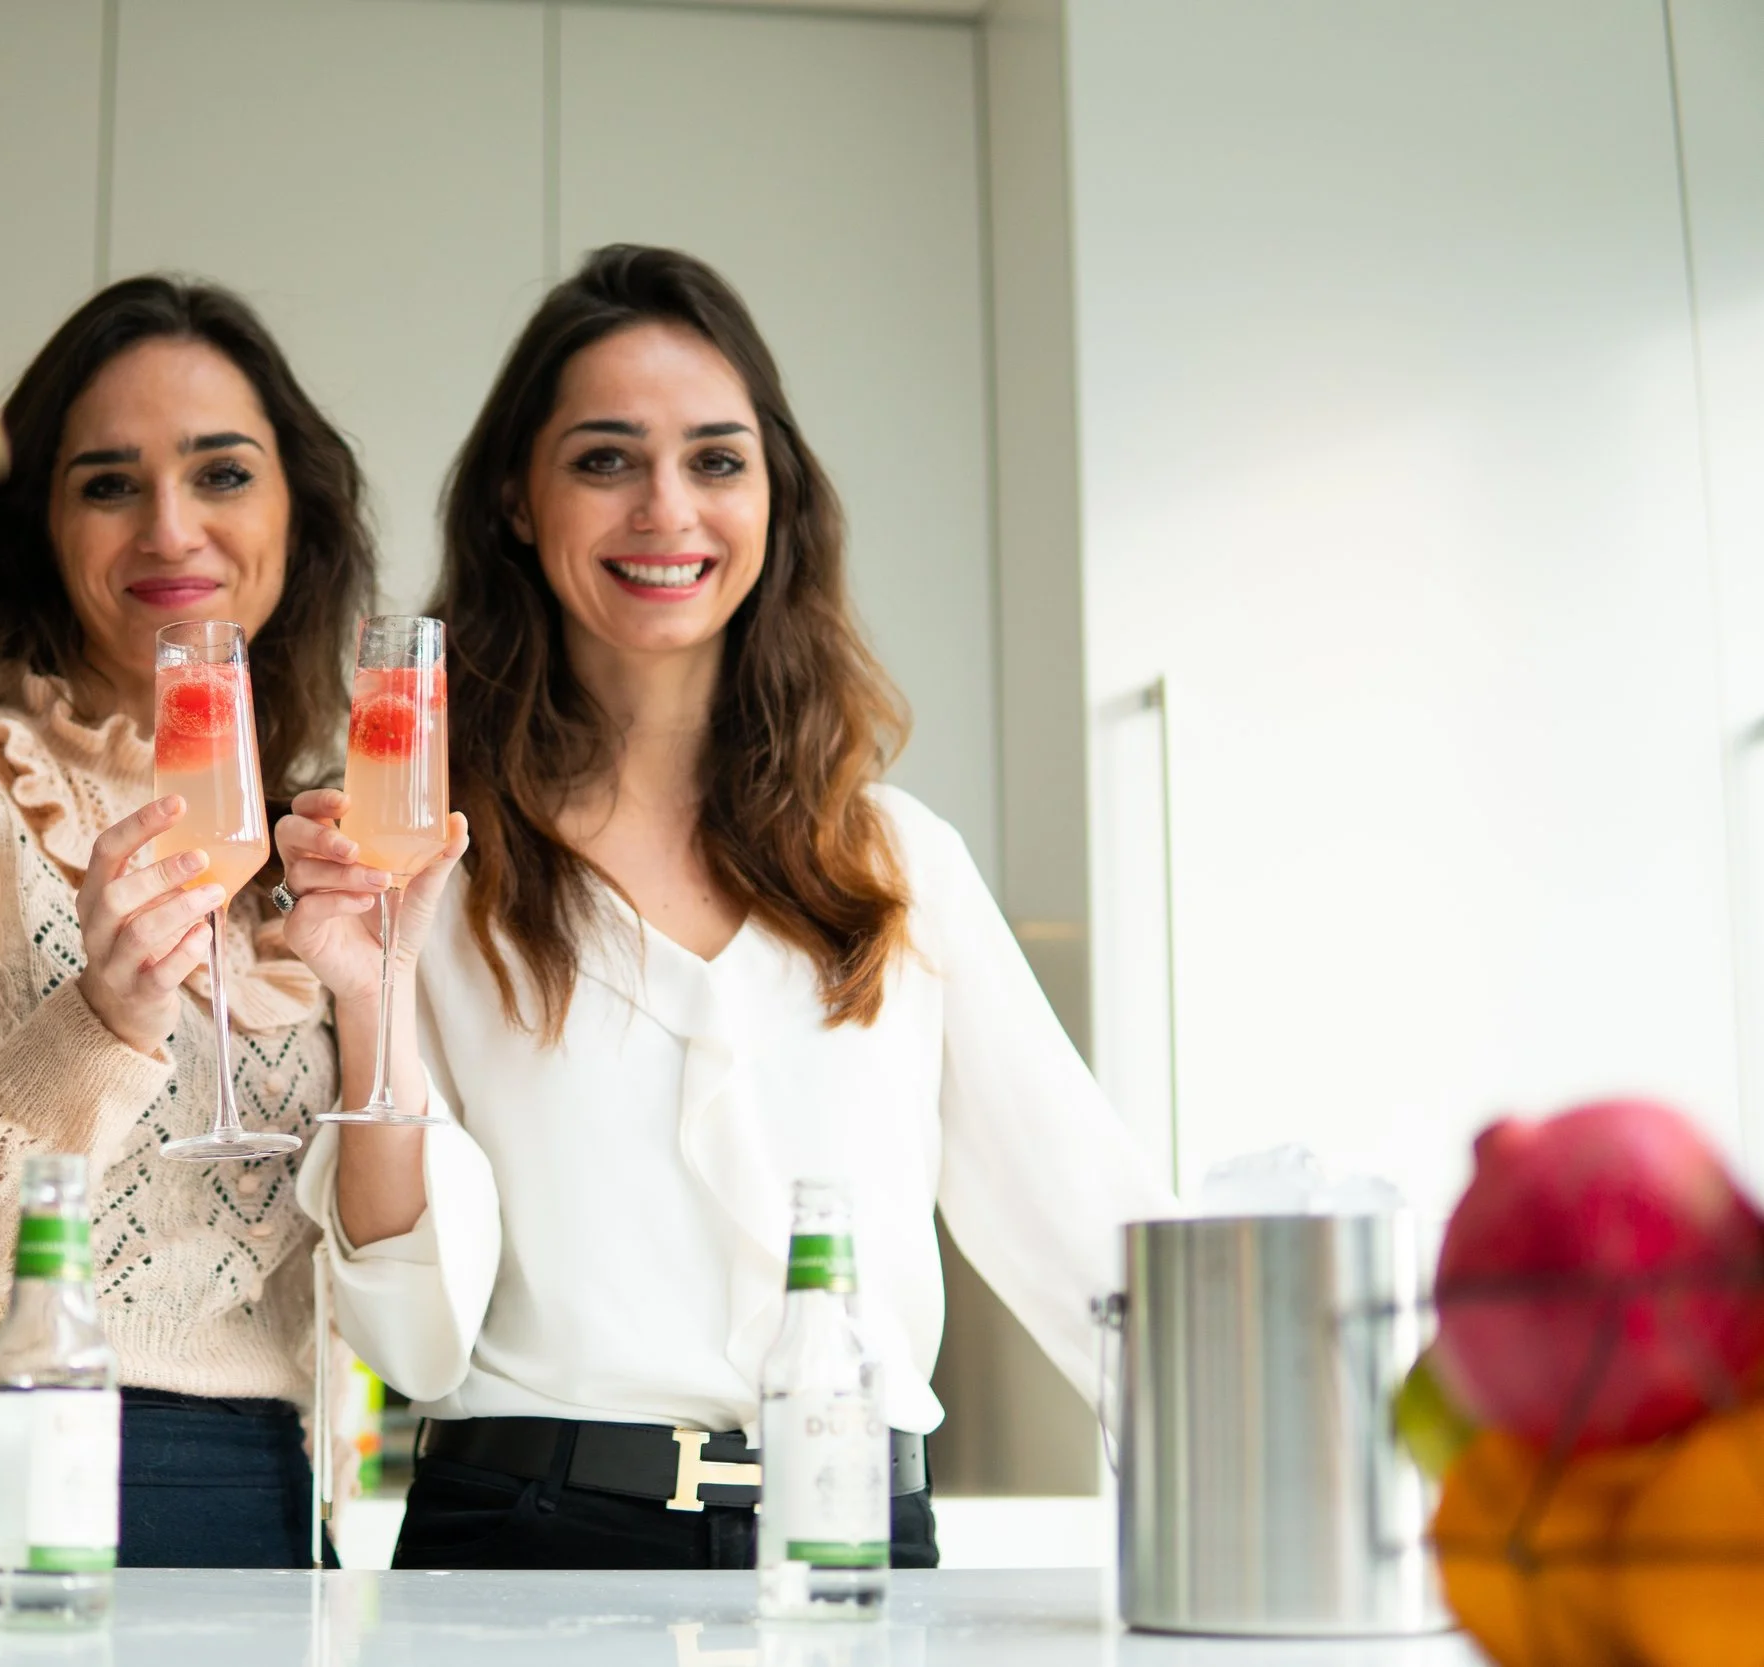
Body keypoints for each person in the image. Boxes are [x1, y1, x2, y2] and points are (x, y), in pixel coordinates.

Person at [273, 245, 1177, 1570]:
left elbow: (1099, 1248)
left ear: (774, 497)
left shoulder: (895, 866)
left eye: (715, 459)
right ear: (518, 500)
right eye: (604, 459)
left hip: (853, 1543)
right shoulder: (421, 865)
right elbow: (413, 1339)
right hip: (526, 1547)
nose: (666, 509)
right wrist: (370, 1003)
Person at [0, 274, 453, 1568]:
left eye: (222, 474)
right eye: (108, 484)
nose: (171, 528)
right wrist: (97, 1021)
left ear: (296, 516)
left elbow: (390, 1293)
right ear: (40, 526)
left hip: (265, 1490)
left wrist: (376, 996)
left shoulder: (305, 849)